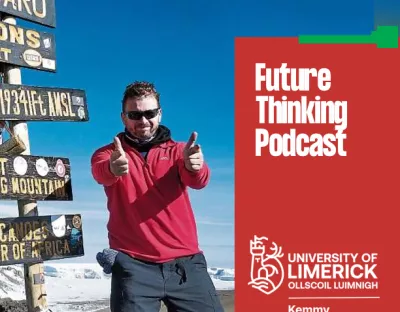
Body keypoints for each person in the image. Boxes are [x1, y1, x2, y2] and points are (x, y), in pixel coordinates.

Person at [91, 81, 224, 312]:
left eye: (149, 113)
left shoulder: (179, 151)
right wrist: (113, 167)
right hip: (133, 266)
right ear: (124, 118)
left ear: (160, 114)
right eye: (135, 114)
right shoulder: (108, 153)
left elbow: (199, 181)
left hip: (186, 264)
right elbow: (101, 173)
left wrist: (195, 166)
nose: (143, 120)